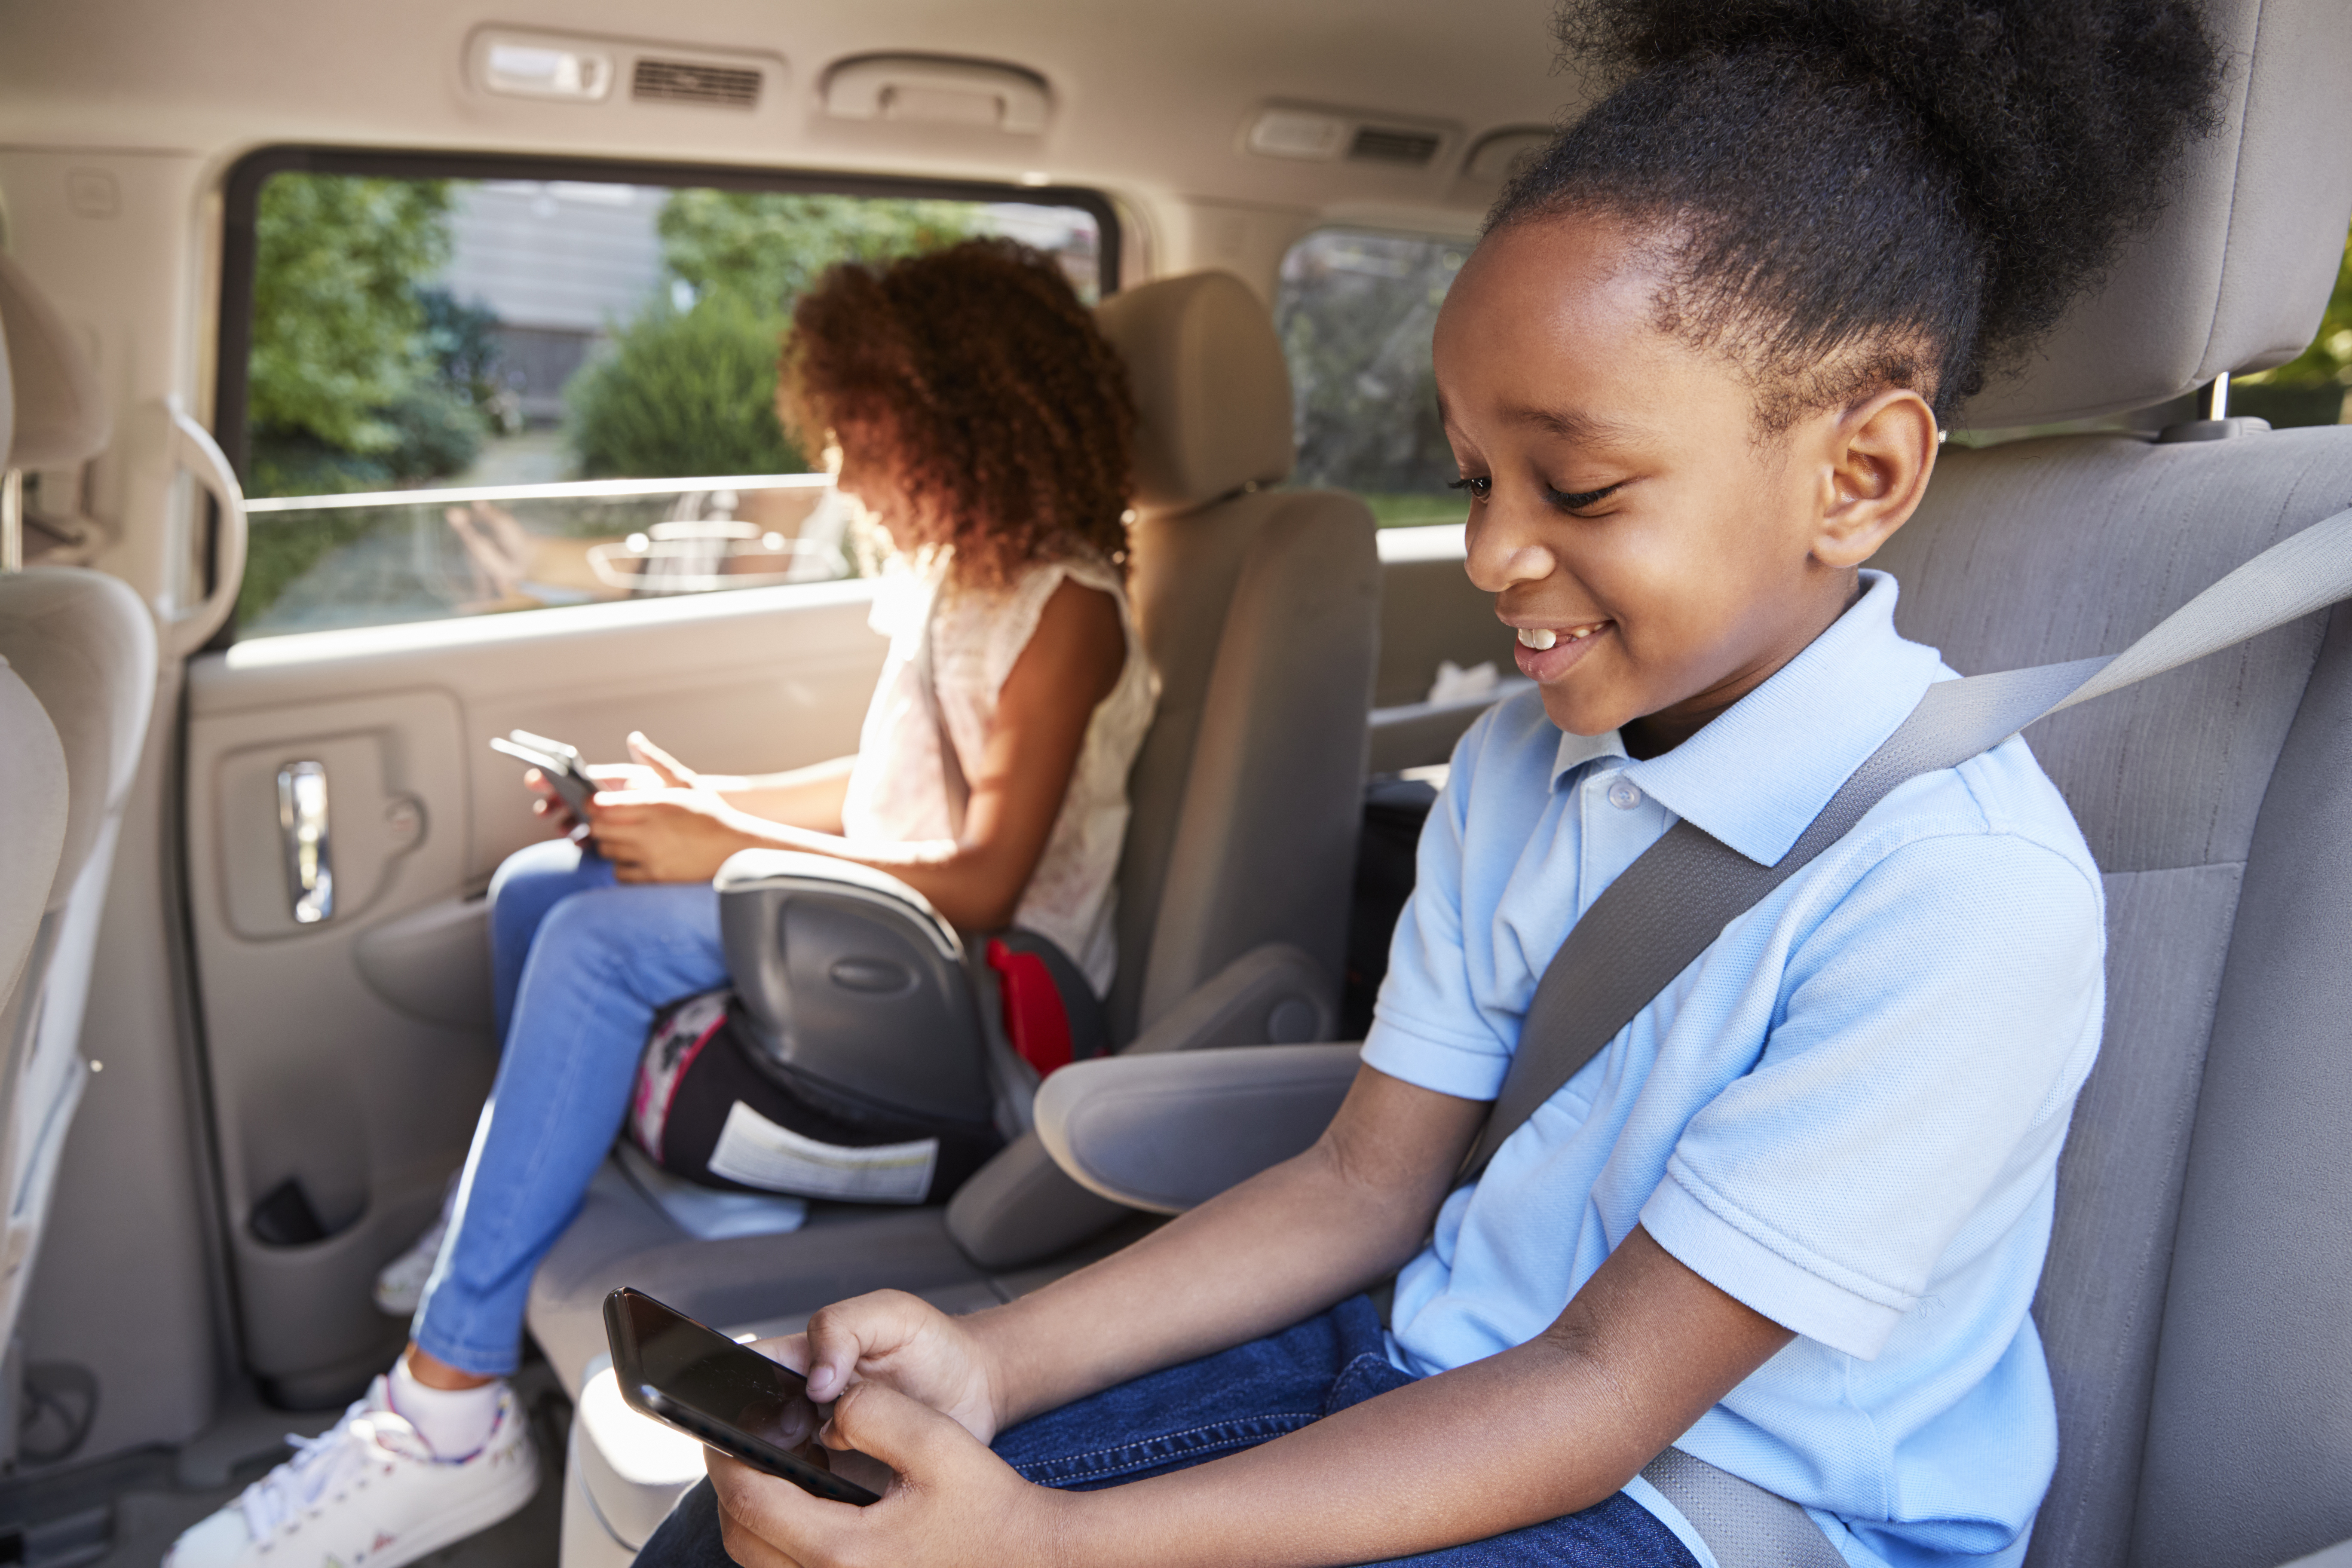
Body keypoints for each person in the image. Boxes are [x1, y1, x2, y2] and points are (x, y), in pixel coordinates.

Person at [635, 4, 2226, 1567]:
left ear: (1858, 476)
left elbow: (1604, 1391)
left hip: (1695, 1501)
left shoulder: (1959, 888)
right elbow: (1358, 1183)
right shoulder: (1521, 765)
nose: (1489, 552)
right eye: (1472, 477)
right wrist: (996, 1362)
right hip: (1417, 1361)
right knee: (758, 1522)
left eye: (1580, 486)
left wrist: (1048, 1544)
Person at [165, 237, 1158, 1568]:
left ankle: (450, 1409)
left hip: (974, 993)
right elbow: (889, 783)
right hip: (890, 934)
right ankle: (490, 1225)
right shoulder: (953, 576)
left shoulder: (1068, 609)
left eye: (863, 438)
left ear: (968, 421)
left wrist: (723, 842)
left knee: (595, 944)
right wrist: (705, 800)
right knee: (547, 885)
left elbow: (983, 872)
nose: (839, 473)